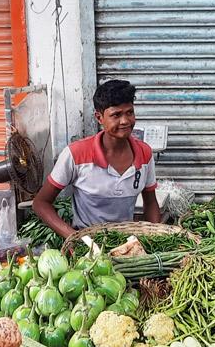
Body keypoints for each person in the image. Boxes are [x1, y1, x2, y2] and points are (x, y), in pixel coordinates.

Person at [33, 79, 160, 238]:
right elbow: (41, 203)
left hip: (126, 242)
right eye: (116, 115)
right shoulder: (76, 154)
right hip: (87, 244)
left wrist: (156, 238)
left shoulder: (144, 153)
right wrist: (74, 238)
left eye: (129, 112)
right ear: (99, 118)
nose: (125, 121)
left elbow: (151, 202)